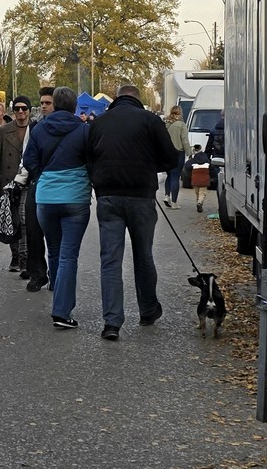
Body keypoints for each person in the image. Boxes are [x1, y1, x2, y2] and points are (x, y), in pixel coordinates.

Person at [88, 84, 179, 341]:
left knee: (110, 261)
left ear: (117, 99)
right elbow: (171, 158)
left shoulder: (100, 122)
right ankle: (148, 310)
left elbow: (89, 157)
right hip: (141, 196)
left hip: (108, 197)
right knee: (143, 255)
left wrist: (99, 181)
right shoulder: (150, 120)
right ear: (138, 99)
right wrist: (150, 166)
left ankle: (112, 322)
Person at [23, 87, 93, 330]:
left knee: (53, 249)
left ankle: (56, 289)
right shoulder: (84, 130)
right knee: (68, 255)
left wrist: (44, 175)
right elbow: (92, 160)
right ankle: (62, 311)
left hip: (46, 197)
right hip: (75, 197)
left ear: (54, 104)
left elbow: (29, 161)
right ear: (75, 106)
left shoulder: (39, 128)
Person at [0, 96, 32, 273]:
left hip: (28, 181)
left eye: (24, 108)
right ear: (13, 111)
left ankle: (24, 256)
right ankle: (15, 254)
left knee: (25, 220)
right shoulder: (4, 131)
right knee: (11, 220)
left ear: (28, 110)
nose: (21, 112)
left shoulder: (35, 129)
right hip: (8, 181)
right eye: (17, 109)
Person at [24, 87, 56, 290]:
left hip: (59, 184)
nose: (43, 106)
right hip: (38, 181)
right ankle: (37, 273)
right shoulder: (35, 126)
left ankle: (55, 273)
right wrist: (38, 174)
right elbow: (28, 157)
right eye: (42, 103)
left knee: (56, 234)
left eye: (48, 103)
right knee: (33, 231)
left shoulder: (71, 126)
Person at [163, 106, 189, 209]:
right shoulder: (182, 125)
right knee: (175, 176)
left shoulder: (167, 124)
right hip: (178, 153)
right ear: (180, 113)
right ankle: (174, 203)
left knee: (169, 175)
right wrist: (189, 152)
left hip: (167, 153)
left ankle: (166, 196)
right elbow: (185, 140)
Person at [187, 144, 210, 213]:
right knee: (202, 192)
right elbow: (212, 167)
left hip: (195, 178)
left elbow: (187, 167)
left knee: (197, 192)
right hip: (204, 177)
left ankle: (198, 202)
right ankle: (200, 203)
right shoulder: (207, 159)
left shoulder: (193, 160)